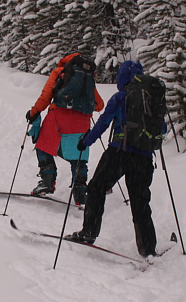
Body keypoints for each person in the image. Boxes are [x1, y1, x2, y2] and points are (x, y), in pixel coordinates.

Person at [66, 60, 166, 257]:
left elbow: (103, 123)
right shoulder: (152, 98)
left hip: (119, 152)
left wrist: (85, 141)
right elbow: (162, 128)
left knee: (96, 188)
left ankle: (89, 232)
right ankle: (148, 249)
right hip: (144, 158)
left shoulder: (121, 97)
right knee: (140, 201)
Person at [25, 53, 104, 205]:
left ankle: (48, 181)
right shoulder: (88, 77)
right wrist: (81, 106)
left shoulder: (60, 72)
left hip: (58, 118)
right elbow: (100, 105)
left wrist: (33, 112)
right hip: (82, 123)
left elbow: (46, 97)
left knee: (43, 146)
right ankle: (80, 191)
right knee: (79, 157)